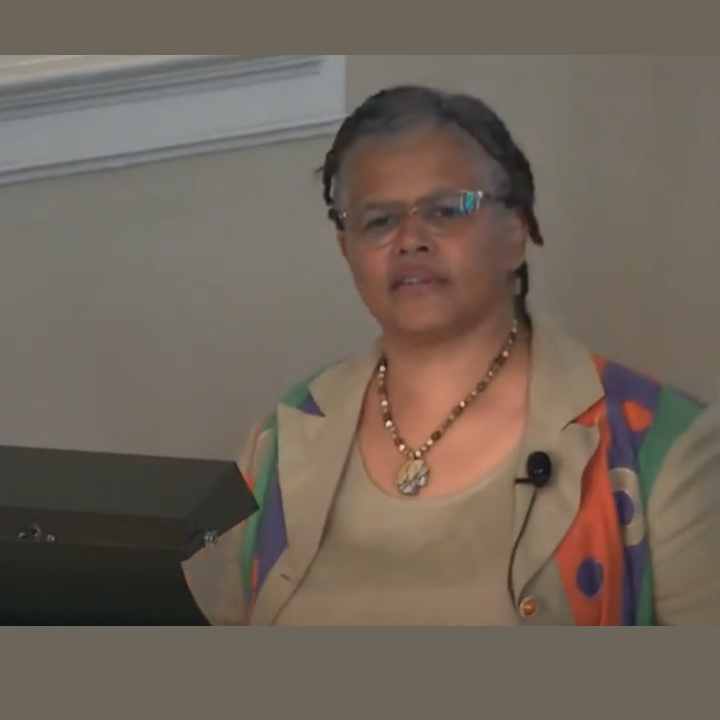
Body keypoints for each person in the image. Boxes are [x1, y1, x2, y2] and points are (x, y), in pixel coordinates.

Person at [183, 84, 720, 626]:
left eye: (445, 210)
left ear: (515, 232)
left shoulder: (662, 452)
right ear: (347, 252)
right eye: (378, 220)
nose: (410, 239)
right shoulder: (280, 441)